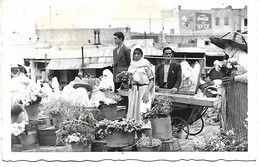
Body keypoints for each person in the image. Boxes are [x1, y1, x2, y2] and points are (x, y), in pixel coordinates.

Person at [210, 32, 248, 140]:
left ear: (233, 45)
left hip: (241, 91)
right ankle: (234, 138)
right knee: (232, 115)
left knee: (241, 115)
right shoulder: (232, 57)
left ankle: (243, 139)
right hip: (232, 92)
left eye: (226, 45)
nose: (225, 48)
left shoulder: (242, 56)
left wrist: (234, 79)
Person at [127, 46, 155, 137]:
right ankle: (138, 140)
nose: (136, 55)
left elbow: (151, 80)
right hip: (134, 91)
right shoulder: (131, 66)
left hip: (144, 90)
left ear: (142, 55)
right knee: (135, 115)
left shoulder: (146, 65)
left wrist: (146, 93)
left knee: (144, 114)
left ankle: (150, 140)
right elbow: (129, 81)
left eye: (138, 54)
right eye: (134, 54)